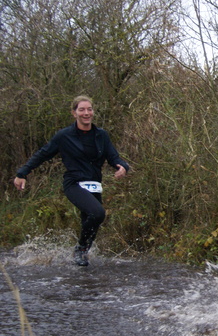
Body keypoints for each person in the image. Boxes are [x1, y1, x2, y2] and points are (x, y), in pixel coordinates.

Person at [13, 95, 130, 266]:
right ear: (74, 113)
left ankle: (82, 265)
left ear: (93, 112)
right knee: (98, 213)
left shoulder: (101, 135)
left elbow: (113, 156)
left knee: (92, 222)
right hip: (74, 183)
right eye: (81, 109)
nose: (86, 113)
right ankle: (80, 250)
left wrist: (122, 167)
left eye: (89, 109)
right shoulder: (64, 136)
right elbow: (43, 154)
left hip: (95, 184)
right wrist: (22, 173)